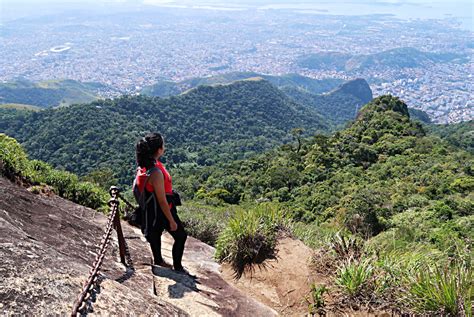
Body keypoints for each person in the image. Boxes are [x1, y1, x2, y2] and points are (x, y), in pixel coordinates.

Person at [134, 132, 188, 273]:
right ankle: (178, 267)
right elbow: (162, 200)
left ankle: (158, 260)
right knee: (181, 236)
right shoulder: (155, 172)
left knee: (155, 233)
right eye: (163, 145)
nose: (164, 147)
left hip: (152, 210)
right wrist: (171, 220)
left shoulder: (144, 166)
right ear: (158, 150)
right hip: (162, 210)